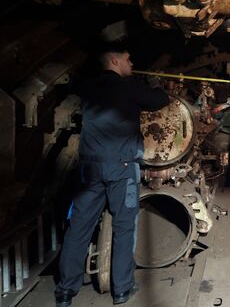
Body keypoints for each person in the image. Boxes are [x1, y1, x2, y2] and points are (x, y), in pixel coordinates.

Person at [55, 46, 169, 307]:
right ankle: (122, 289)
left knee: (79, 225)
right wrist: (154, 83)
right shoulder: (129, 87)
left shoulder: (89, 86)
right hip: (122, 168)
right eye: (128, 59)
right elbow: (160, 100)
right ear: (115, 61)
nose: (132, 63)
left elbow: (71, 84)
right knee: (124, 226)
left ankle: (65, 291)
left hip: (90, 168)